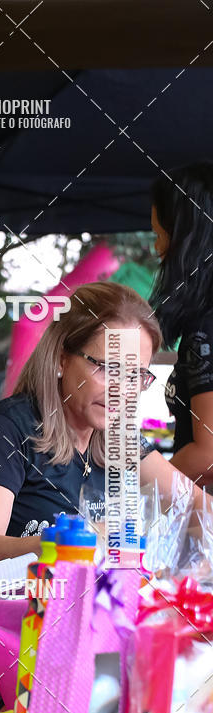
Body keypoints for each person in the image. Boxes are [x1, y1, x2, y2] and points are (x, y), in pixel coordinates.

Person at [0, 281, 198, 563]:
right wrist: (81, 539)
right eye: (107, 368)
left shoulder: (120, 440)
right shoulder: (5, 430)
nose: (120, 390)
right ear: (61, 359)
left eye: (134, 376)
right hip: (10, 604)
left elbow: (193, 505)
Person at [150, 162, 213, 486]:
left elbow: (209, 454)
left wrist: (132, 493)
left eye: (160, 236)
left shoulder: (206, 326)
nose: (158, 249)